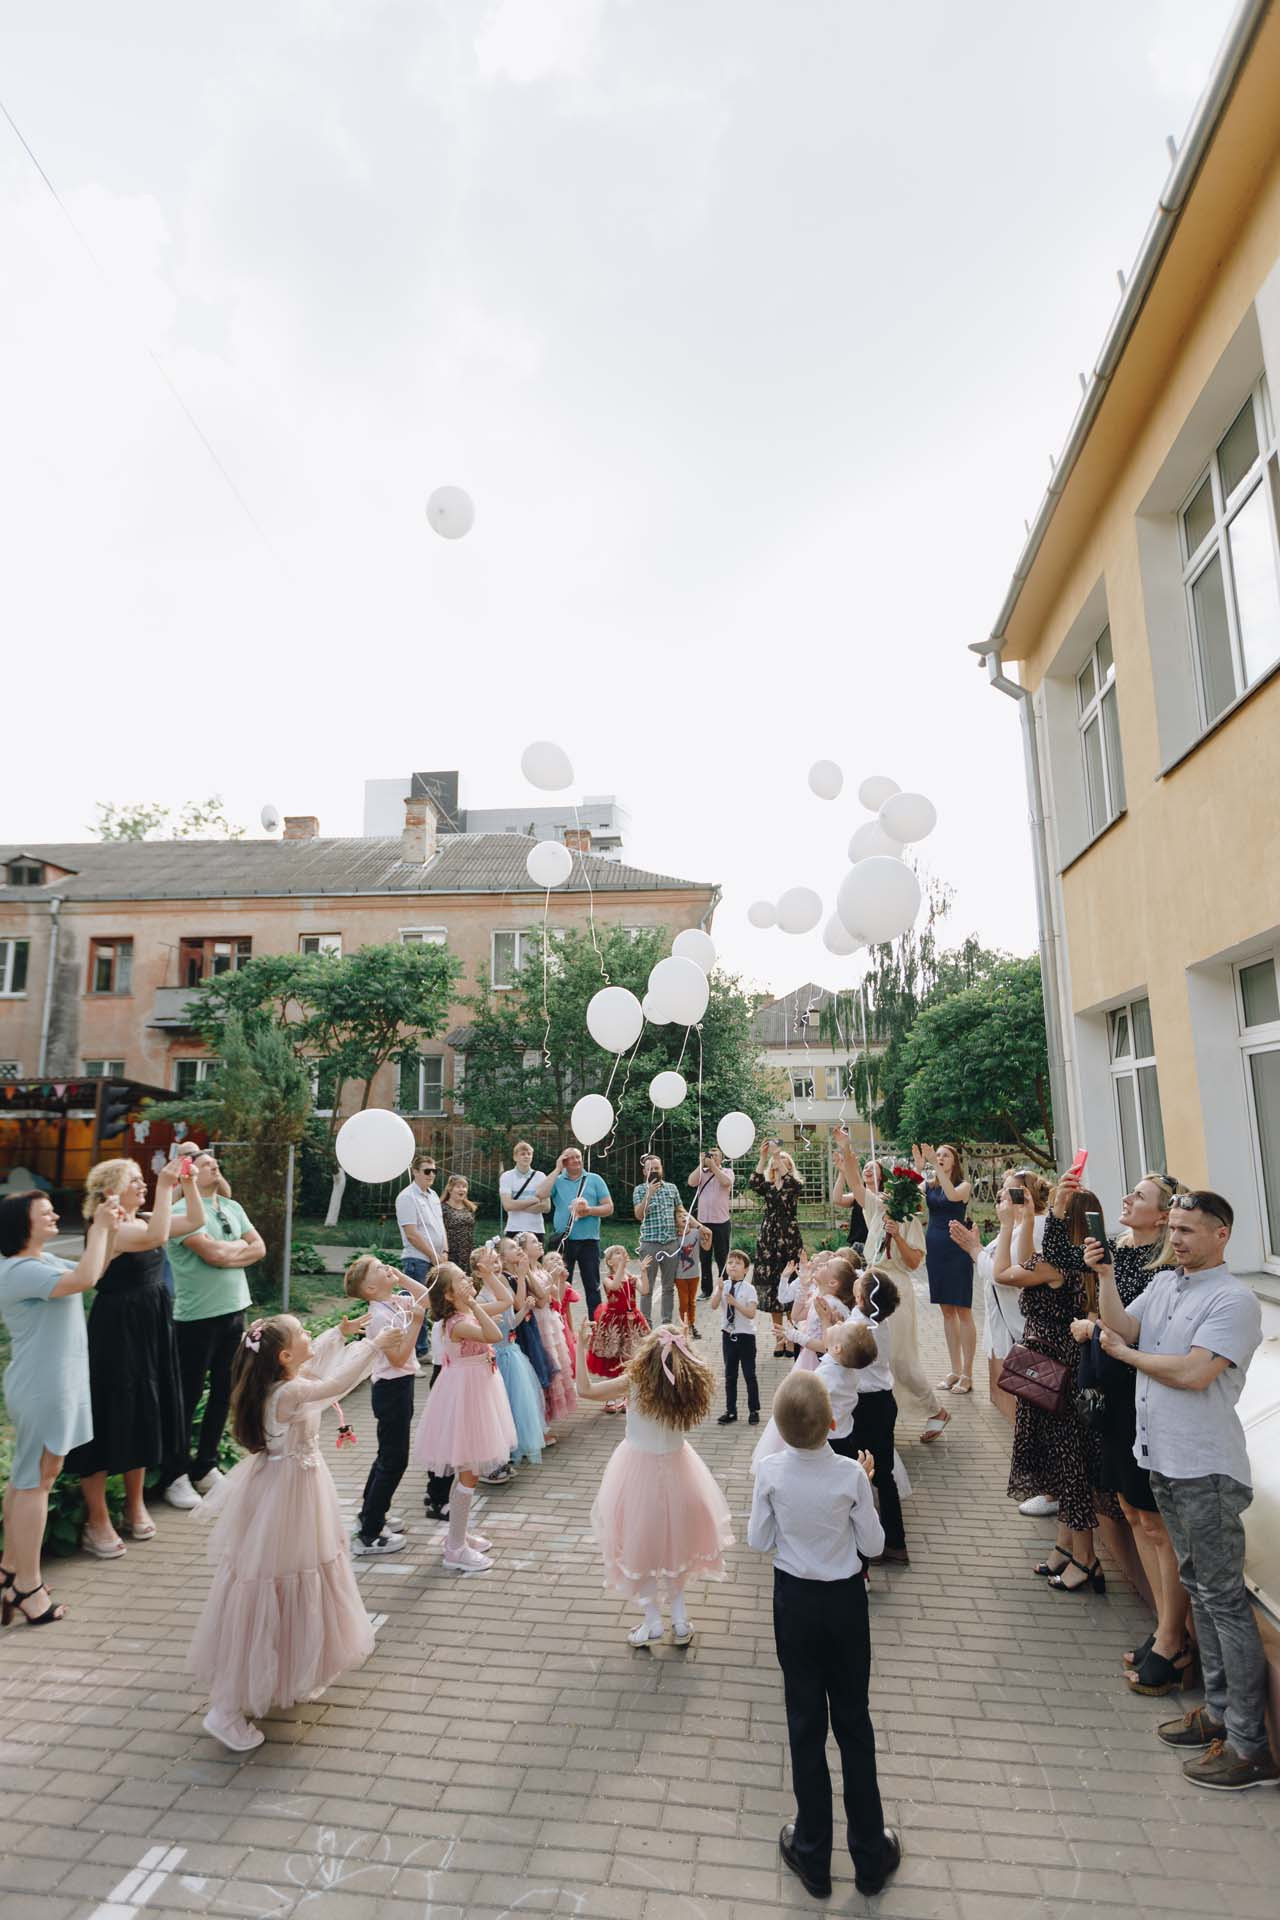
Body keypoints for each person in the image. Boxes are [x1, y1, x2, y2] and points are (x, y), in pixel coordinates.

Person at [1097, 1190, 1277, 1792]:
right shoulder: (1171, 1284)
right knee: (1201, 1591)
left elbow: (1196, 1372)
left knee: (1223, 1600)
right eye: (1172, 1229)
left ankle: (1251, 1748)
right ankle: (1220, 1717)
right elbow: (1123, 1323)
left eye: (1189, 1231)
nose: (1176, 1240)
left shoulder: (1234, 1299)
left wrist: (1128, 1355)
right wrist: (1103, 1278)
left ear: (1222, 1234)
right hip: (1164, 1460)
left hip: (1206, 1469)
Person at [188, 1313, 399, 1751]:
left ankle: (294, 1671)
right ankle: (225, 1708)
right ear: (284, 1355)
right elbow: (333, 1385)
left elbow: (316, 1359)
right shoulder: (293, 1390)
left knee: (298, 1572)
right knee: (271, 1579)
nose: (309, 1336)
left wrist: (341, 1333)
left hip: (291, 1489)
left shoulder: (279, 1381)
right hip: (288, 1498)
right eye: (302, 1333)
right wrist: (373, 1346)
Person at [748, 1370, 902, 1901]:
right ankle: (869, 1857)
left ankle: (813, 1855)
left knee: (805, 1725)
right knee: (854, 1723)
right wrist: (865, 1486)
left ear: (779, 1427)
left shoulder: (768, 1471)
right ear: (833, 1423)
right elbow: (874, 1545)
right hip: (844, 1605)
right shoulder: (849, 1475)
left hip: (794, 1604)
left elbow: (758, 1538)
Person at [1069, 1173, 1190, 1695]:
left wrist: (1094, 1328)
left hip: (1145, 1400)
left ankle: (1173, 1640)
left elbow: (1133, 1332)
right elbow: (1114, 1317)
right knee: (1134, 1512)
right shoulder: (1119, 1250)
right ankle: (1164, 1630)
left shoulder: (1161, 1266)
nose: (1125, 1199)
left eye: (1138, 1196)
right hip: (1116, 1402)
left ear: (1162, 1216)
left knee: (1156, 1522)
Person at [67, 1157, 201, 1557]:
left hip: (150, 1324)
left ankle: (135, 1504)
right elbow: (158, 1236)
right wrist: (164, 1187)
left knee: (144, 1408)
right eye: (136, 1181)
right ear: (112, 1190)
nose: (144, 1185)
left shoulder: (140, 1218)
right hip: (117, 1327)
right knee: (111, 1411)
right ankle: (97, 1518)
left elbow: (193, 1221)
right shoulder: (109, 1228)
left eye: (146, 1181)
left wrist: (187, 1184)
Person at [0, 1188, 120, 1626]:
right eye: (46, 1213)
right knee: (35, 1481)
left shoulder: (42, 1263)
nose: (54, 1216)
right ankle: (28, 1587)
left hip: (53, 1385)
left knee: (35, 1477)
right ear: (21, 1224)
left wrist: (104, 1229)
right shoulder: (17, 1271)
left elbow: (95, 1268)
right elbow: (86, 1280)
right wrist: (102, 1228)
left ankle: (10, 1572)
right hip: (42, 1387)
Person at [578, 1322, 733, 1647]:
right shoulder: (686, 1385)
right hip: (680, 1472)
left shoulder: (635, 1382)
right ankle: (678, 1621)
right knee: (674, 1545)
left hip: (637, 1475)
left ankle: (652, 1623)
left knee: (641, 1547)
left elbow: (586, 1391)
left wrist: (580, 1347)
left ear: (647, 1353)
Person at [993, 1184, 1108, 1594]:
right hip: (1051, 1366)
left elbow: (1004, 1272)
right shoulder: (1070, 1260)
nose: (1052, 1221)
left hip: (1055, 1371)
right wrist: (1026, 1219)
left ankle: (1087, 1558)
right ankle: (1064, 1545)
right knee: (1061, 1461)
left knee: (1069, 1462)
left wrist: (1009, 1225)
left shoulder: (1059, 1266)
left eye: (1059, 1215)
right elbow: (1029, 1259)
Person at [162, 1149, 267, 1512]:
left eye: (214, 1162)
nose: (213, 1165)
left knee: (225, 1391)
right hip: (196, 1317)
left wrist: (232, 1249)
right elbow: (214, 1256)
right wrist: (237, 1249)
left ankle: (205, 1464)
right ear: (188, 1175)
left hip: (233, 1311)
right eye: (204, 1163)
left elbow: (260, 1248)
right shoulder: (180, 1214)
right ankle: (175, 1473)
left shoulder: (232, 1208)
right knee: (187, 1396)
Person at [833, 1133, 950, 1442]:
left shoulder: (908, 1219)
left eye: (889, 1196)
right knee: (872, 1352)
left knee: (899, 1357)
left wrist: (897, 1235)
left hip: (895, 1286)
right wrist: (846, 1148)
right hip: (871, 1280)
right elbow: (857, 1184)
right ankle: (875, 1416)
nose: (882, 1198)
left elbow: (913, 1262)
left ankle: (935, 1409)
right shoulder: (874, 1208)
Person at [411, 1262, 517, 1572]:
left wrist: (487, 1278)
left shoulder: (465, 1315)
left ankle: (459, 1533)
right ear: (448, 1293)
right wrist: (474, 1305)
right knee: (469, 1471)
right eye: (461, 1279)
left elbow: (506, 1302)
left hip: (476, 1391)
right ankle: (455, 1548)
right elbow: (494, 1333)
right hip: (467, 1397)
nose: (467, 1281)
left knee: (468, 1471)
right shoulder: (457, 1322)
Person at [343, 1255, 429, 1556]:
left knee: (387, 1455)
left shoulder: (395, 1301)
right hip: (391, 1389)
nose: (386, 1268)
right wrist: (417, 1323)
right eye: (379, 1269)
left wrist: (404, 1279)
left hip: (400, 1387)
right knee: (394, 1460)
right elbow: (399, 1358)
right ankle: (369, 1533)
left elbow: (426, 1297)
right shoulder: (380, 1315)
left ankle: (372, 1512)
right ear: (369, 1288)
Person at [849, 1270, 908, 1565]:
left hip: (865, 1405)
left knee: (862, 1471)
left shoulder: (859, 1326)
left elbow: (838, 1348)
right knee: (884, 1475)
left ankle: (866, 1544)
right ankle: (895, 1543)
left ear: (861, 1298)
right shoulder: (878, 1320)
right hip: (884, 1401)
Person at [470, 1246, 547, 1469]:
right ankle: (501, 1448)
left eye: (496, 1261)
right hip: (498, 1356)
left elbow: (511, 1322)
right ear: (478, 1272)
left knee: (518, 1403)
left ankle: (516, 1446)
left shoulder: (502, 1286)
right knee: (501, 1404)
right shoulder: (482, 1297)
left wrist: (524, 1310)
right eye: (491, 1262)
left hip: (512, 1353)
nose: (496, 1265)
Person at [913, 1142, 976, 1394]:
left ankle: (968, 1374)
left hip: (958, 1250)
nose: (939, 1158)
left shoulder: (964, 1186)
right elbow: (910, 1195)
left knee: (963, 1312)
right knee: (947, 1312)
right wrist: (918, 1169)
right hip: (936, 1250)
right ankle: (954, 1369)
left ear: (954, 1161)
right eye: (936, 1154)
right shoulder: (929, 1184)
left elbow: (951, 1196)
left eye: (944, 1155)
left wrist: (934, 1169)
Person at [537, 1147, 613, 1317]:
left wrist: (590, 1211)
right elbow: (540, 1193)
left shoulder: (594, 1179)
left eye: (578, 1157)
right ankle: (561, 1324)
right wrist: (557, 1169)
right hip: (565, 1240)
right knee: (562, 1286)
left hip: (589, 1241)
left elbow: (609, 1207)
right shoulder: (558, 1180)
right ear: (564, 1161)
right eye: (570, 1158)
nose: (576, 1161)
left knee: (592, 1286)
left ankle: (597, 1328)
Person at [749, 1140, 804, 1356]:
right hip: (769, 1242)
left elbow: (791, 1181)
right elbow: (754, 1182)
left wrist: (778, 1155)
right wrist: (764, 1157)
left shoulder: (794, 1185)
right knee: (773, 1291)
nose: (776, 1164)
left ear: (788, 1166)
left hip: (789, 1241)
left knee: (791, 1287)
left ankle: (793, 1338)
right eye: (775, 1163)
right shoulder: (768, 1187)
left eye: (782, 1163)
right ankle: (780, 1339)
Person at [585, 1247, 650, 1412]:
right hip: (614, 1322)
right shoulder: (608, 1278)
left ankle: (626, 1397)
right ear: (609, 1261)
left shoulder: (631, 1278)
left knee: (629, 1358)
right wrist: (622, 1267)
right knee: (612, 1358)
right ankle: (610, 1399)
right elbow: (614, 1286)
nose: (621, 1255)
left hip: (632, 1321)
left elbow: (645, 1290)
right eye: (616, 1253)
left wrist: (643, 1272)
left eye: (622, 1252)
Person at [396, 1154, 447, 1356]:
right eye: (427, 1171)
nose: (431, 1175)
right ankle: (417, 1350)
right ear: (415, 1171)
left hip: (436, 1258)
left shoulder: (433, 1196)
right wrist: (432, 1254)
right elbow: (411, 1233)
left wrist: (444, 1252)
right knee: (418, 1305)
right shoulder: (407, 1197)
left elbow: (440, 1227)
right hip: (417, 1258)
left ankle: (424, 1345)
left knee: (433, 1303)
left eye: (434, 1171)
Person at [710, 1247, 760, 1426]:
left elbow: (751, 1313)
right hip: (728, 1335)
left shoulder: (749, 1289)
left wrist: (735, 1303)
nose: (733, 1266)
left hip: (745, 1337)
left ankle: (753, 1409)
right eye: (730, 1263)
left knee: (749, 1374)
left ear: (746, 1269)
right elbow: (713, 1305)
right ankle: (731, 1410)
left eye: (738, 1263)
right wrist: (718, 1290)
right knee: (730, 1375)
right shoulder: (723, 1286)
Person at [633, 1154, 683, 1327]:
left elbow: (679, 1209)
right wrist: (649, 1194)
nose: (654, 1171)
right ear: (644, 1171)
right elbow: (639, 1215)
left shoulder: (672, 1188)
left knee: (669, 1287)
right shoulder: (640, 1190)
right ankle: (646, 1324)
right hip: (650, 1244)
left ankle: (667, 1323)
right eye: (650, 1169)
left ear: (661, 1169)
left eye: (657, 1168)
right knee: (647, 1287)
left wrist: (682, 1221)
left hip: (670, 1243)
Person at [686, 1147, 734, 1298]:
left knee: (722, 1256)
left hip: (721, 1222)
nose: (712, 1157)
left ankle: (725, 1288)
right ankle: (706, 1290)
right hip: (704, 1223)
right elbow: (691, 1182)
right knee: (704, 1257)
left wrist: (713, 1167)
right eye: (710, 1155)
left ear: (721, 1158)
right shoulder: (702, 1173)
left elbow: (726, 1183)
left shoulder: (727, 1172)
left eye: (715, 1155)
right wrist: (701, 1164)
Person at [500, 1140, 549, 1244]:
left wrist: (517, 1205)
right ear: (515, 1157)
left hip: (536, 1229)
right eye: (522, 1154)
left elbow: (546, 1206)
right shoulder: (507, 1176)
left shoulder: (541, 1176)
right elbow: (507, 1206)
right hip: (514, 1228)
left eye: (529, 1154)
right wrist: (533, 1200)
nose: (526, 1156)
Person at [672, 1207, 706, 1338]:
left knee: (692, 1302)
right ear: (674, 1222)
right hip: (680, 1276)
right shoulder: (673, 1237)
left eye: (686, 1216)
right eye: (680, 1217)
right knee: (683, 1302)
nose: (684, 1218)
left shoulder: (695, 1233)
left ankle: (692, 1325)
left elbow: (707, 1233)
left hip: (694, 1274)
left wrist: (695, 1222)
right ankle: (684, 1326)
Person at [439, 1175, 478, 1268]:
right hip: (450, 1253)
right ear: (450, 1189)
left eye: (464, 1187)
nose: (462, 1189)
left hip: (467, 1252)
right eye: (458, 1187)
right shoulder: (442, 1208)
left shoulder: (469, 1208)